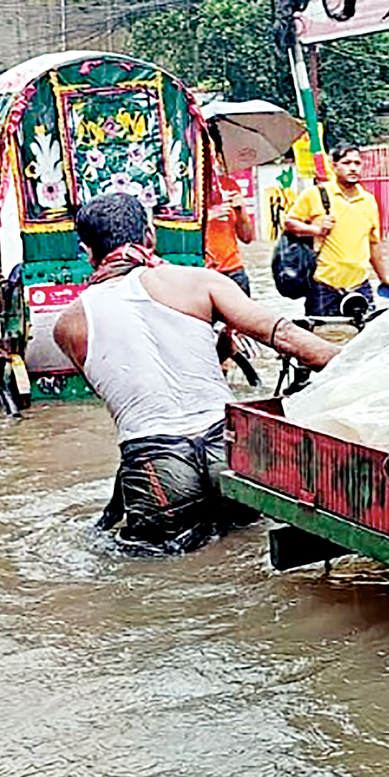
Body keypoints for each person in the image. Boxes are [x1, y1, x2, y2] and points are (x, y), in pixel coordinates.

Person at [55, 193, 339, 552]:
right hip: (229, 452)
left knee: (156, 570)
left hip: (156, 467)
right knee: (247, 550)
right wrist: (360, 361)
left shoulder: (68, 325)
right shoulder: (201, 281)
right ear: (150, 237)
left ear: (87, 251)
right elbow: (283, 335)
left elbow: (126, 385)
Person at [282, 144, 389, 318]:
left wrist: (384, 278)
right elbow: (288, 223)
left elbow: (373, 244)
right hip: (324, 287)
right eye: (346, 163)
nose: (353, 168)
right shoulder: (315, 195)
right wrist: (315, 229)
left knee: (366, 337)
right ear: (334, 165)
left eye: (357, 163)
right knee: (322, 340)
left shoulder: (368, 201)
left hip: (360, 286)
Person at [202, 157, 256, 294]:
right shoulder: (190, 191)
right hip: (204, 271)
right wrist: (208, 216)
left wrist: (241, 210)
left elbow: (247, 237)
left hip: (234, 269)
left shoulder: (229, 185)